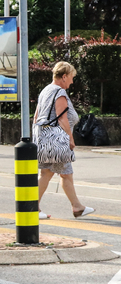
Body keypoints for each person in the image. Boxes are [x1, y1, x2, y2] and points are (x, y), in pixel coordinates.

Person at [33, 61, 95, 219]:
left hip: (46, 139)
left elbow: (36, 117)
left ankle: (76, 206)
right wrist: (70, 138)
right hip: (57, 141)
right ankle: (34, 208)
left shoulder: (45, 90)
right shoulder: (59, 92)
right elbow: (62, 118)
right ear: (64, 76)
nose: (72, 81)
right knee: (56, 174)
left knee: (52, 173)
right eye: (71, 77)